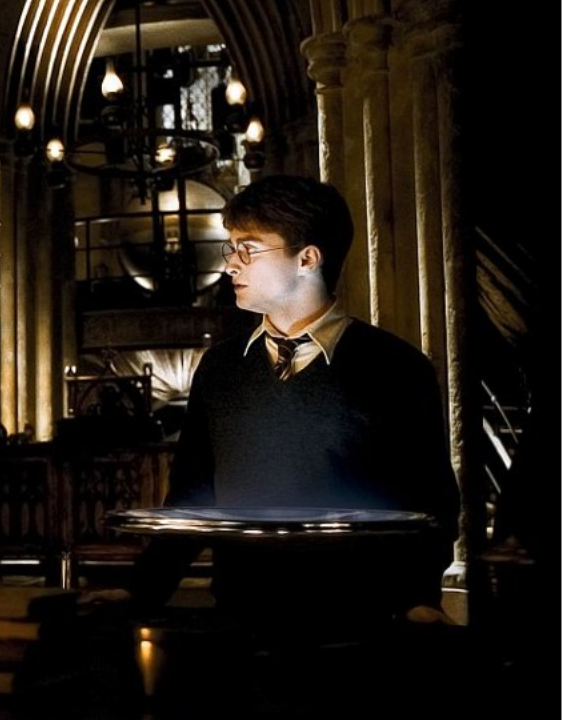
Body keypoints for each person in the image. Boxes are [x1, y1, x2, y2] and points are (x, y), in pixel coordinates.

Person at [130, 175, 461, 639]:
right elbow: (192, 498)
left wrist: (417, 600)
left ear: (307, 258)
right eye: (231, 248)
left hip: (358, 626)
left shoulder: (395, 367)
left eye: (248, 249)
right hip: (240, 619)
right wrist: (139, 592)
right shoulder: (219, 369)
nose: (230, 264)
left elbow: (431, 502)